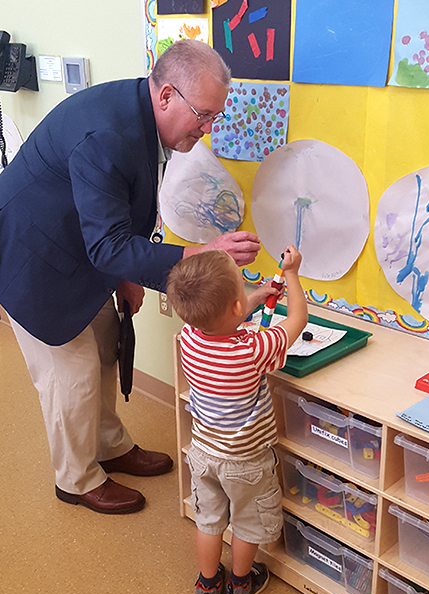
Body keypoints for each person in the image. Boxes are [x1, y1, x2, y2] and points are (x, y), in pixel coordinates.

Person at [0, 40, 261, 515]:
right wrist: (203, 251)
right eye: (203, 115)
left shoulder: (143, 116)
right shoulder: (107, 134)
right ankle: (76, 479)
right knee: (71, 373)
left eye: (214, 117)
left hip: (86, 246)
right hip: (34, 255)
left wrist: (127, 274)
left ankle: (109, 445)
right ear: (166, 96)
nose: (207, 129)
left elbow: (120, 209)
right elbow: (108, 242)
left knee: (103, 349)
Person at [166, 245, 308, 594]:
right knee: (246, 523)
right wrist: (291, 274)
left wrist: (255, 298)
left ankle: (208, 586)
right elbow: (297, 322)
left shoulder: (189, 337)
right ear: (234, 308)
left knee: (209, 519)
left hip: (203, 453)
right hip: (246, 460)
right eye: (241, 288)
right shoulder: (253, 349)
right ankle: (241, 584)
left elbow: (221, 319)